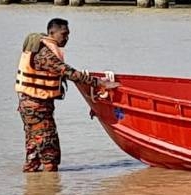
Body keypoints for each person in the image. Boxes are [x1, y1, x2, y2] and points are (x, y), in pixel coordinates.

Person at [16, 18, 119, 172]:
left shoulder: (40, 47)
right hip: (37, 109)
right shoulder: (45, 53)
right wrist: (98, 83)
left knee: (34, 153)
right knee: (50, 154)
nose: (66, 38)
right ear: (52, 33)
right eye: (63, 34)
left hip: (31, 107)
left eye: (68, 35)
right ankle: (50, 191)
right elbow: (67, 72)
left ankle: (34, 191)